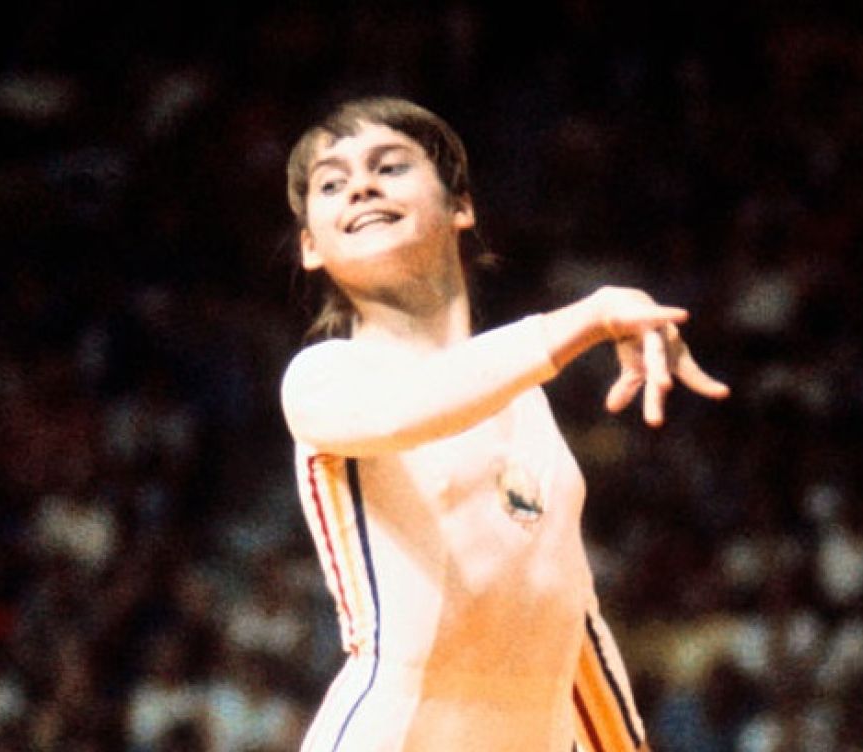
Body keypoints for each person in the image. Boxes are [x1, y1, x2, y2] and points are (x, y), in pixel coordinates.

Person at [279, 96, 730, 751]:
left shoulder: (526, 401)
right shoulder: (324, 376)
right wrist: (588, 318)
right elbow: (412, 408)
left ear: (460, 206)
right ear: (310, 246)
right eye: (331, 182)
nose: (361, 186)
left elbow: (571, 622)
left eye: (390, 166)